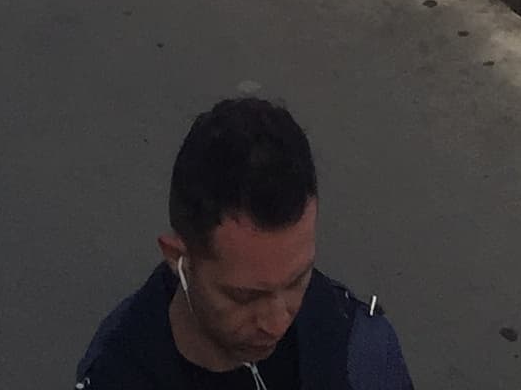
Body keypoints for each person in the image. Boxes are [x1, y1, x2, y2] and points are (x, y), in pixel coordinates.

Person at [78, 95, 412, 387]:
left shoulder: (361, 350)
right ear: (178, 258)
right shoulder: (118, 375)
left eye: (297, 280)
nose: (277, 322)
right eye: (245, 296)